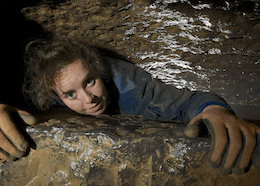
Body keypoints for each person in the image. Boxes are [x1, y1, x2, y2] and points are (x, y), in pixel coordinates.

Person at [0, 37, 259, 176]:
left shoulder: (131, 87)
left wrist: (216, 110)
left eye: (90, 81)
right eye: (70, 94)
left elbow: (188, 101)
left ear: (99, 71)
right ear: (53, 94)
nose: (89, 99)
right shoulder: (41, 89)